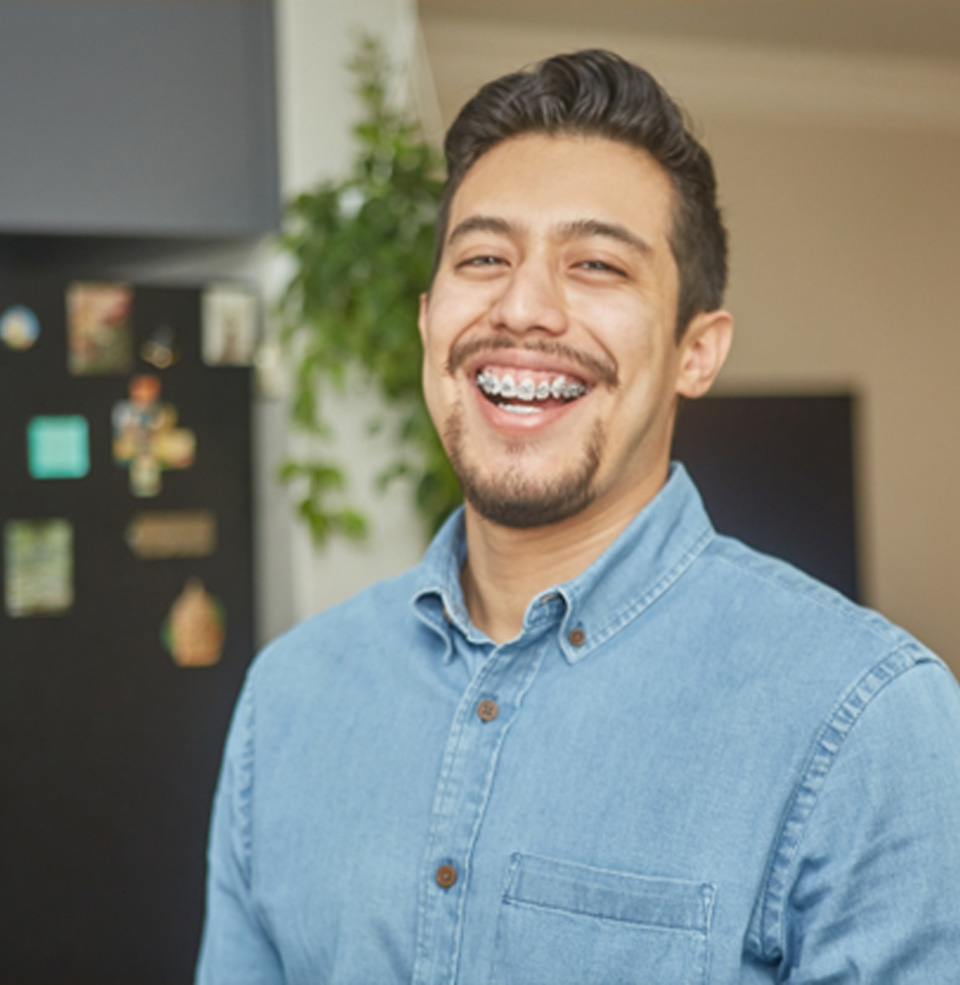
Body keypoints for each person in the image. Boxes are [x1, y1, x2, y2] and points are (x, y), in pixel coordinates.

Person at [196, 50, 960, 983]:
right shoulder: (289, 700)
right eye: (485, 257)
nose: (524, 305)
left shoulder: (868, 719)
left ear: (696, 350)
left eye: (596, 264)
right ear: (431, 320)